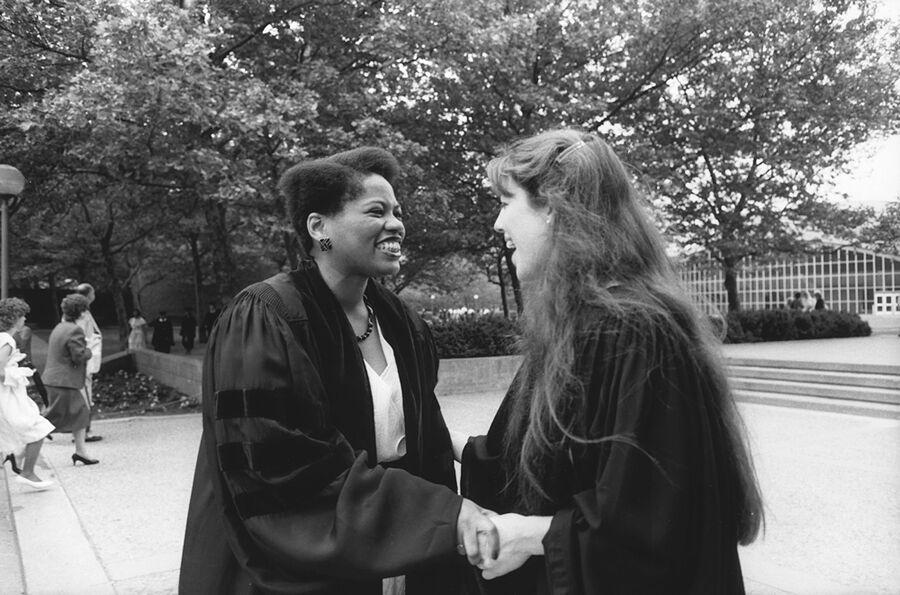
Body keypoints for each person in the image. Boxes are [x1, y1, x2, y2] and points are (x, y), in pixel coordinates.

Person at [452, 130, 764, 593]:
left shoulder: (637, 331)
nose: (498, 224)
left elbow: (654, 519)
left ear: (553, 208)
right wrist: (438, 440)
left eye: (505, 201)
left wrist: (533, 536)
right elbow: (524, 456)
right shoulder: (577, 324)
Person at [180, 146, 497, 594]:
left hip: (398, 547)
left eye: (397, 212)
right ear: (318, 227)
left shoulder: (401, 323)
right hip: (300, 563)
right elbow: (279, 467)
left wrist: (476, 469)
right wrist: (438, 514)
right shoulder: (266, 317)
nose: (396, 224)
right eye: (376, 211)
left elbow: (422, 437)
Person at [0, 298, 55, 490]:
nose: (25, 319)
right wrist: (18, 372)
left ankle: (23, 465)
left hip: (8, 395)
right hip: (7, 396)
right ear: (14, 318)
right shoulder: (7, 340)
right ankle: (27, 472)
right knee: (37, 427)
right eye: (22, 315)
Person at [42, 294, 98, 466]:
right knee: (48, 420)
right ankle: (19, 454)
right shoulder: (75, 330)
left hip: (55, 379)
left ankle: (81, 452)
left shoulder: (60, 327)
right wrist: (90, 348)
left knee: (79, 413)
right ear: (81, 313)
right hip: (63, 381)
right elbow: (78, 356)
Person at [74, 283, 103, 443]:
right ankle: (84, 432)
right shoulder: (81, 314)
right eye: (93, 292)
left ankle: (85, 430)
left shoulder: (84, 312)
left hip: (88, 358)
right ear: (88, 295)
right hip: (85, 359)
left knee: (86, 393)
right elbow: (83, 337)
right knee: (85, 395)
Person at [9, 298, 48, 407]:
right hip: (15, 368)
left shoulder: (25, 330)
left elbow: (21, 347)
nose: (24, 318)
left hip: (25, 366)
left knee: (34, 397)